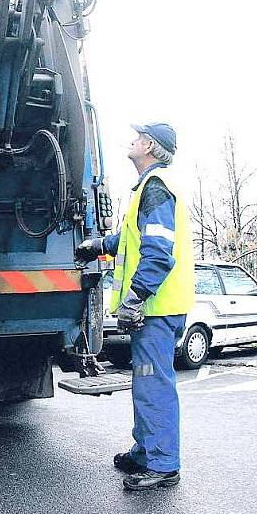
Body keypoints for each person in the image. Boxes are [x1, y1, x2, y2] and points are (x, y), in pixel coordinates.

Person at [75, 122, 195, 491]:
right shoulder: (148, 188)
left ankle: (162, 464)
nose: (131, 139)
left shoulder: (156, 188)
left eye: (138, 136)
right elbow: (130, 238)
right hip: (159, 308)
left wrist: (135, 297)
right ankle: (146, 451)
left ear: (149, 145)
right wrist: (98, 245)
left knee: (153, 384)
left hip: (156, 309)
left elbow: (158, 251)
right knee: (146, 383)